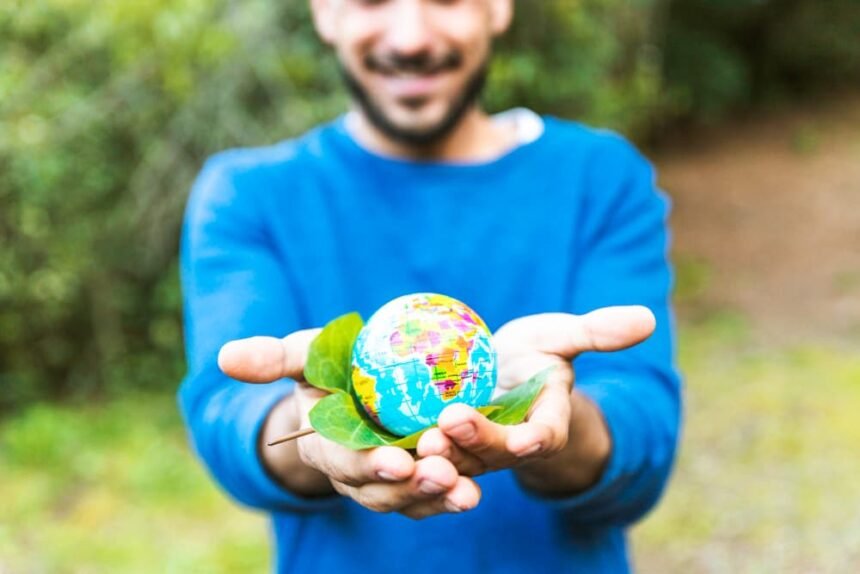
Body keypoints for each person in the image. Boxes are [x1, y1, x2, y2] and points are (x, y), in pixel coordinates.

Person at [178, 0, 682, 572]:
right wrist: (310, 426)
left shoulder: (601, 178)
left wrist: (548, 422)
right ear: (322, 10)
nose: (411, 36)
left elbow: (644, 436)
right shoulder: (250, 193)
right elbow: (226, 420)